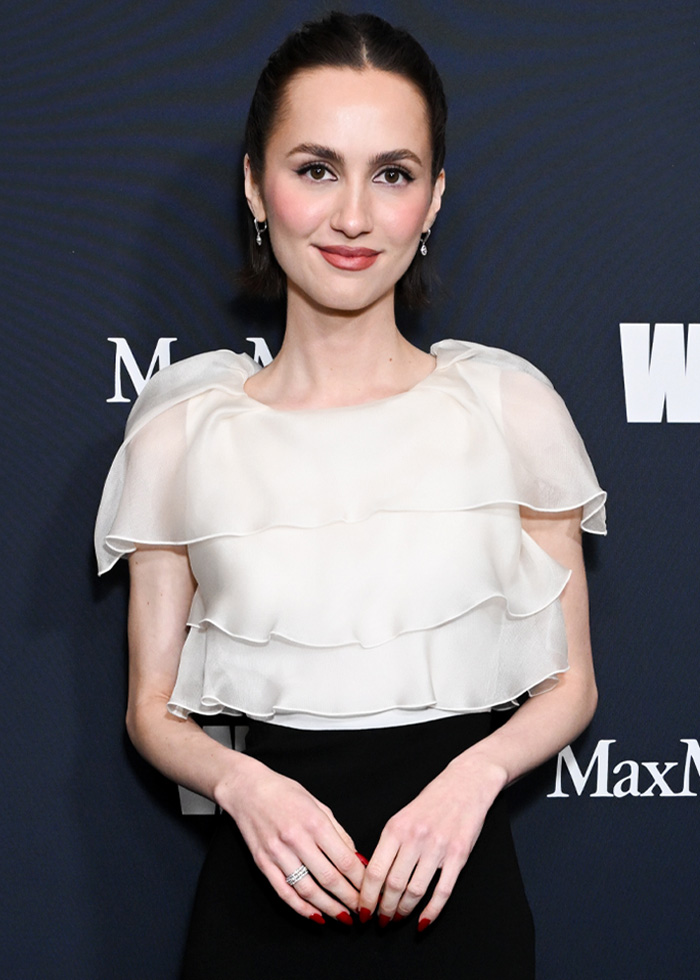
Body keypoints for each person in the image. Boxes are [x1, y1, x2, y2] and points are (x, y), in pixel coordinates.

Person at [95, 12, 606, 979]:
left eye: (393, 173)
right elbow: (152, 711)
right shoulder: (183, 426)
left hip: (459, 905)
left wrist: (475, 776)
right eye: (316, 168)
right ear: (255, 183)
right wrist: (246, 788)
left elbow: (571, 683)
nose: (354, 217)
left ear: (435, 197)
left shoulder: (509, 407)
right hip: (261, 909)